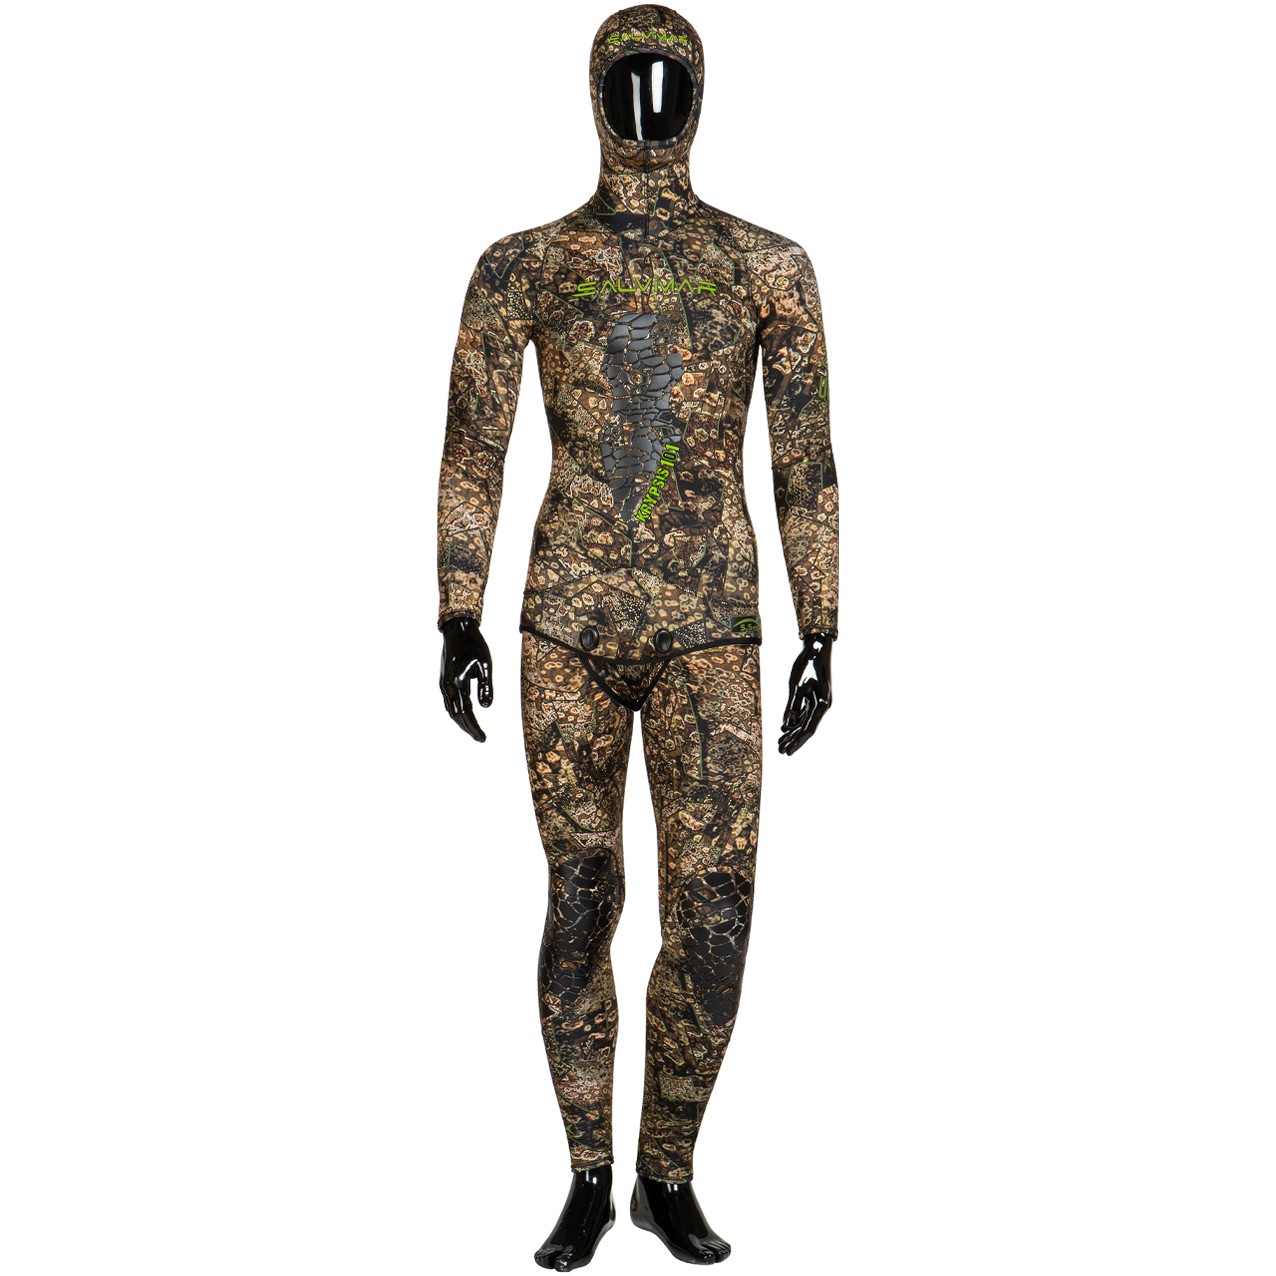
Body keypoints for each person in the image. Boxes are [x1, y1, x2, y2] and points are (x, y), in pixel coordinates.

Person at [436, 5, 838, 1266]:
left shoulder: (766, 265)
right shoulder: (524, 265)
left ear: (701, 93)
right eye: (628, 78)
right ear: (593, 90)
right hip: (567, 623)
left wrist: (823, 620)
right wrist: (456, 606)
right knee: (580, 895)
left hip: (712, 627)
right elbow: (475, 446)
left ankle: (668, 1168)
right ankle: (587, 1173)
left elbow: (805, 463)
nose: (648, 102)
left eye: (668, 79)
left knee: (714, 908)